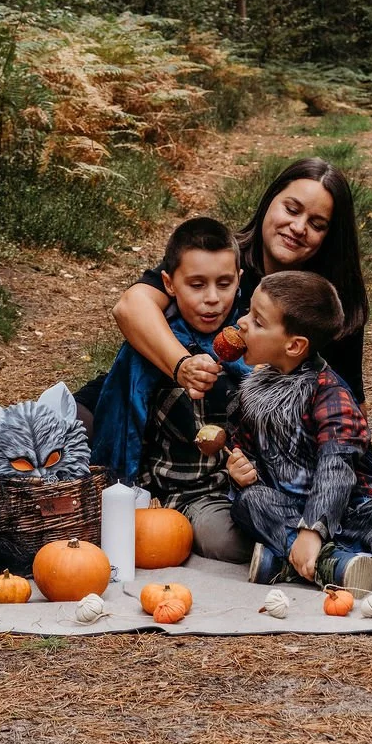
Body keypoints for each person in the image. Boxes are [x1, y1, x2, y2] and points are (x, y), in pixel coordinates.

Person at [75, 157, 369, 436]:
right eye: (291, 209)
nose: (298, 227)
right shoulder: (219, 258)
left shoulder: (331, 302)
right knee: (57, 436)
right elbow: (130, 306)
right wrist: (182, 366)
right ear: (269, 201)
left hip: (246, 434)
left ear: (330, 235)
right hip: (142, 398)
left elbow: (350, 402)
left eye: (317, 224)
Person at [228, 271, 372, 593]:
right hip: (290, 506)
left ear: (294, 345)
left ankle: (290, 558)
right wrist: (242, 469)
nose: (242, 322)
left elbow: (337, 468)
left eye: (257, 321)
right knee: (248, 502)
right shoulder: (254, 391)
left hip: (349, 509)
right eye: (248, 312)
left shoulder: (330, 395)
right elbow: (246, 448)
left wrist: (313, 529)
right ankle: (333, 563)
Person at [89, 216, 251, 561]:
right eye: (197, 285)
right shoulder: (156, 345)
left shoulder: (250, 338)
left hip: (248, 482)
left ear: (239, 279)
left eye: (224, 284)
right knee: (228, 541)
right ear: (169, 284)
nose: (212, 298)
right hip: (186, 493)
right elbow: (125, 422)